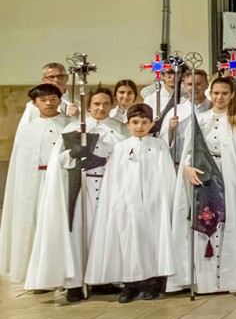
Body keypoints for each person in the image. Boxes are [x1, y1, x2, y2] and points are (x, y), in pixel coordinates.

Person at [167, 76, 236, 295]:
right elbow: (188, 151)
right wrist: (188, 168)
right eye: (216, 93)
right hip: (205, 176)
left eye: (224, 93)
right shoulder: (200, 119)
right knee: (206, 221)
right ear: (211, 94)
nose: (219, 97)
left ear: (232, 95)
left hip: (231, 178)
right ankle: (205, 281)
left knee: (231, 224)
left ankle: (234, 279)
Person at [25, 90, 121, 300]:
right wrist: (74, 153)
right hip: (82, 189)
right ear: (89, 106)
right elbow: (58, 160)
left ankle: (103, 279)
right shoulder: (74, 128)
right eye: (96, 104)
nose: (100, 108)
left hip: (109, 189)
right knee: (78, 232)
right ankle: (75, 283)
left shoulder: (119, 129)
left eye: (105, 104)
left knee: (104, 233)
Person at [83, 105, 175, 302]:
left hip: (154, 203)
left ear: (151, 124)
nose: (140, 126)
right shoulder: (121, 147)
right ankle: (130, 284)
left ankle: (152, 282)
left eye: (144, 122)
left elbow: (167, 176)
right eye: (135, 122)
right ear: (127, 124)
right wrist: (115, 203)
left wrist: (165, 200)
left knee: (152, 241)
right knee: (129, 241)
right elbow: (113, 179)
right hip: (127, 204)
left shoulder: (159, 146)